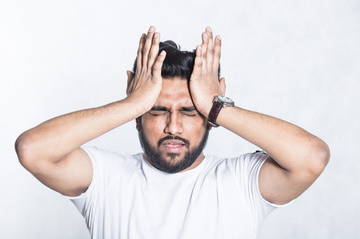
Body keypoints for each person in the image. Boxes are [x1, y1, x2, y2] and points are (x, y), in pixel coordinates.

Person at [15, 26, 330, 238]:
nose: (174, 127)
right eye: (157, 110)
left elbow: (312, 157)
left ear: (209, 114)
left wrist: (217, 105)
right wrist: (134, 101)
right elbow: (33, 149)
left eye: (191, 111)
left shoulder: (240, 182)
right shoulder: (106, 179)